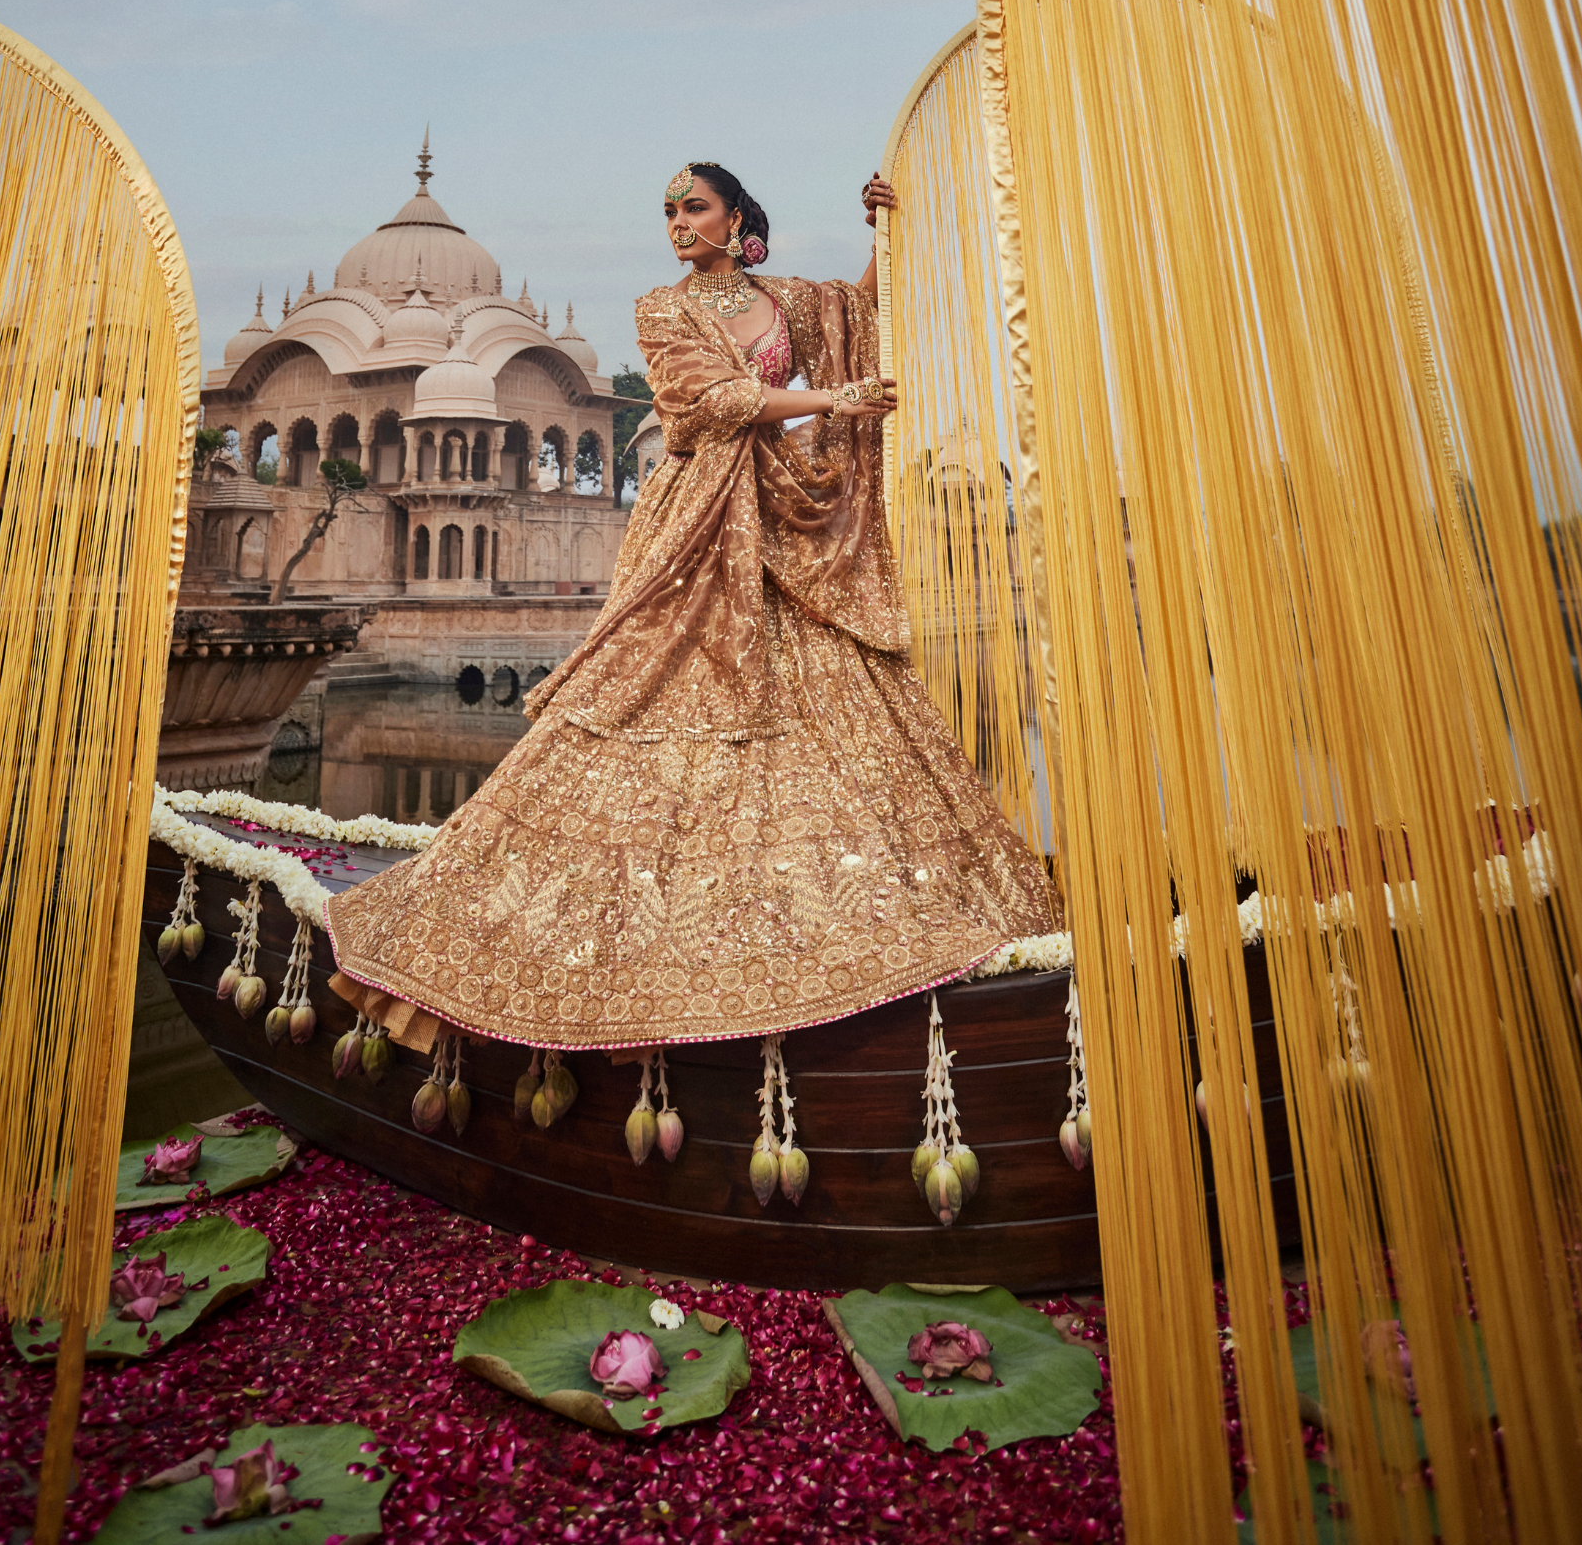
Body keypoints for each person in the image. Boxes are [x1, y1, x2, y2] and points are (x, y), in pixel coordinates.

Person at [325, 160, 1059, 1050]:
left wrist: (881, 236)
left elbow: (856, 318)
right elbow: (715, 403)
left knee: (828, 701)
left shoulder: (786, 298)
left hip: (784, 512)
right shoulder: (661, 309)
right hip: (702, 518)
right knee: (657, 689)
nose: (678, 222)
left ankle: (813, 914)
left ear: (737, 215)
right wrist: (836, 399)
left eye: (695, 206)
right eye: (668, 210)